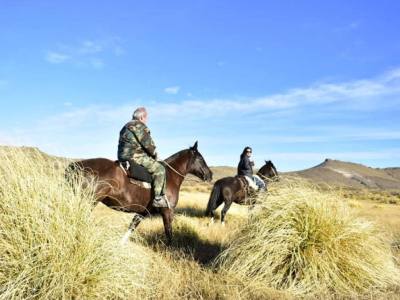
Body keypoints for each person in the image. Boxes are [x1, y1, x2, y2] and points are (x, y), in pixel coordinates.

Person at [117, 107, 169, 208]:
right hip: (135, 156)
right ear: (141, 117)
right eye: (146, 118)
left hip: (121, 156)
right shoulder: (140, 126)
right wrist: (155, 155)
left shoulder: (125, 126)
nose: (146, 120)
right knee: (160, 169)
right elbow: (148, 145)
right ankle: (158, 199)